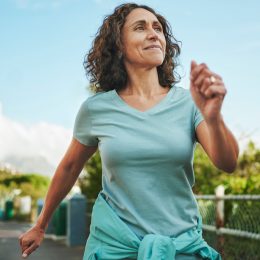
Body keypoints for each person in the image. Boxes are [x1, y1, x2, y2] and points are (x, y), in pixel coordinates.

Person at [19, 3, 239, 260]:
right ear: (119, 44)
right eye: (140, 27)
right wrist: (41, 224)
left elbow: (228, 162)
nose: (153, 33)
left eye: (157, 28)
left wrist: (213, 119)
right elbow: (69, 168)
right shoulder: (96, 109)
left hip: (180, 247)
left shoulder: (189, 102)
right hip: (114, 247)